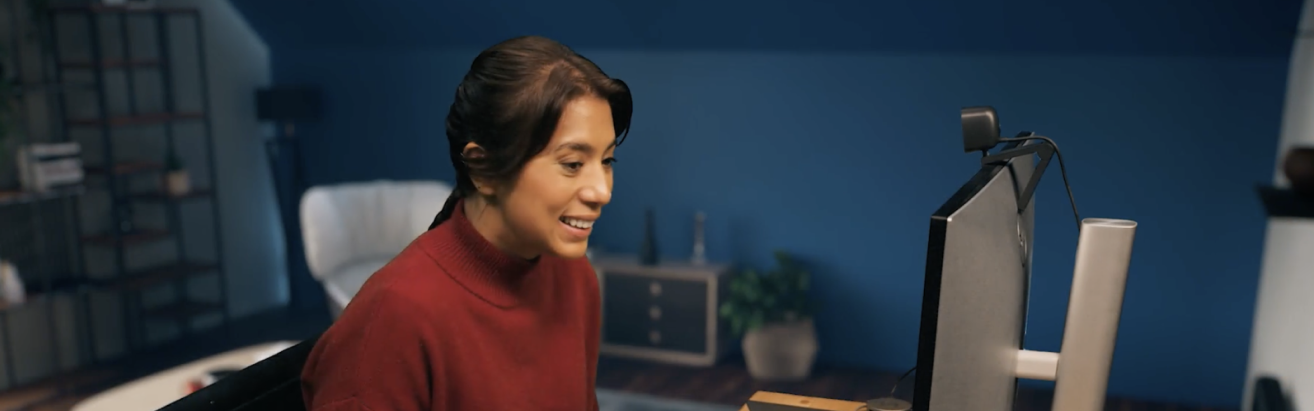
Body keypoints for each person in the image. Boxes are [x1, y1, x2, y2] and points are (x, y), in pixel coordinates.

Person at [300, 35, 632, 411]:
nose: (602, 190)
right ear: (482, 169)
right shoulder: (394, 320)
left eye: (607, 161)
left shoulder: (575, 278)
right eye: (573, 164)